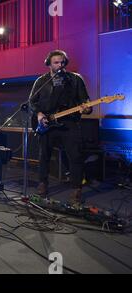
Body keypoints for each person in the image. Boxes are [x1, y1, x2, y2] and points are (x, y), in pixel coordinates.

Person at [29, 50, 92, 206]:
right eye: (56, 62)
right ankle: (42, 184)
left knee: (75, 156)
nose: (60, 65)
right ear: (49, 64)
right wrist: (38, 114)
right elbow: (31, 102)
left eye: (62, 62)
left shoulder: (75, 80)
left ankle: (76, 191)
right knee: (44, 156)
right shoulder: (41, 81)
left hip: (69, 122)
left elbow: (86, 102)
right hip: (46, 123)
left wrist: (86, 108)